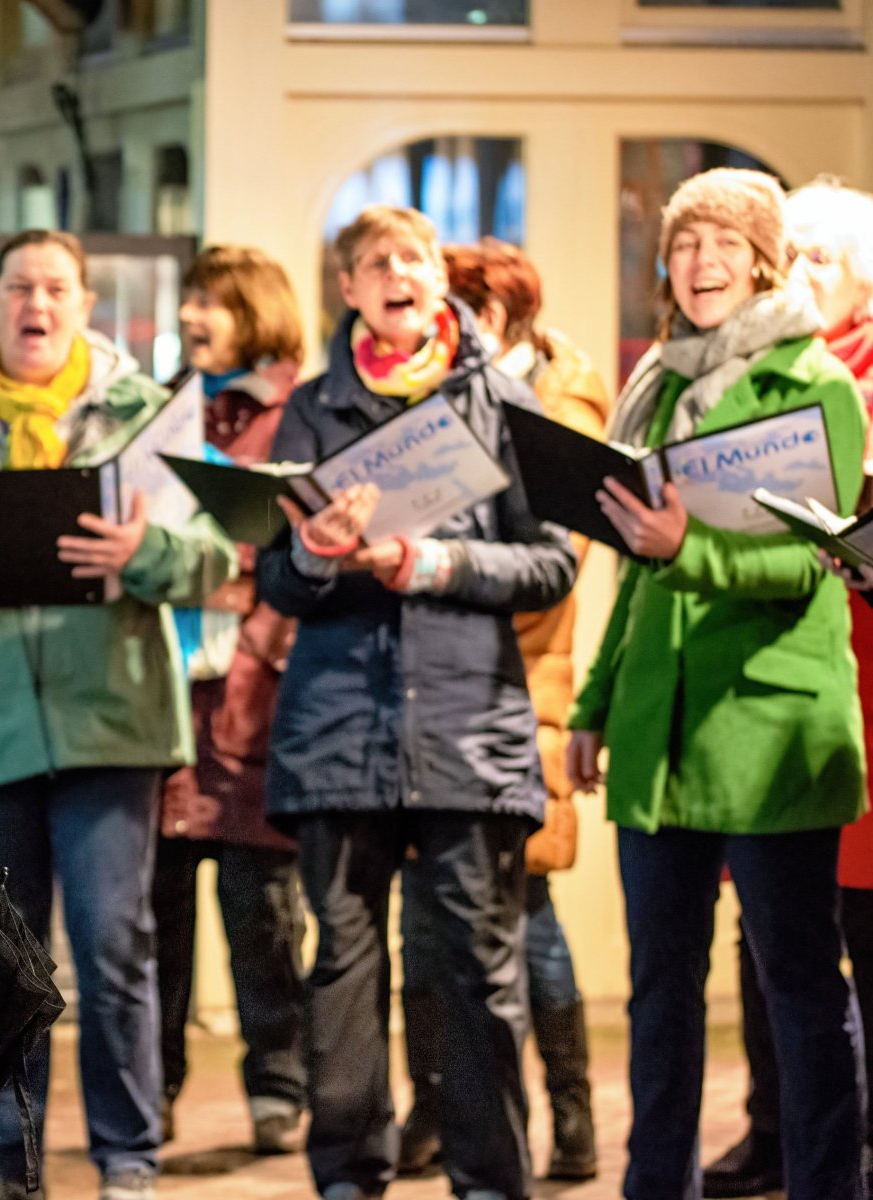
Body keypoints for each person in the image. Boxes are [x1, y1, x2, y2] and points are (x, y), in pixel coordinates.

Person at [0, 229, 236, 1200]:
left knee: (115, 948)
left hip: (116, 724)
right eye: (20, 285)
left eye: (57, 288)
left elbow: (214, 555)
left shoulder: (145, 422)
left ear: (86, 305)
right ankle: (6, 1161)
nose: (38, 302)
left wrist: (140, 559)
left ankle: (127, 1157)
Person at [257, 204, 577, 1200]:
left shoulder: (504, 404)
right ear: (347, 289)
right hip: (338, 731)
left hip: (466, 732)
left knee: (479, 973)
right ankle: (349, 1178)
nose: (396, 272)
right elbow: (275, 583)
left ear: (439, 279)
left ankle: (491, 1181)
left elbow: (553, 561)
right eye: (374, 262)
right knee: (343, 973)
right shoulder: (311, 410)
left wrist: (435, 563)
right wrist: (310, 558)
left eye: (414, 257)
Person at [566, 166, 868, 1200]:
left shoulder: (817, 384)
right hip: (658, 730)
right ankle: (658, 1185)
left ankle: (830, 1183)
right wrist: (593, 707)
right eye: (685, 244)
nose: (700, 264)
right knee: (661, 993)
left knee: (795, 987)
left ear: (762, 260)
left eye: (724, 245)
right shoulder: (654, 383)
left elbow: (803, 566)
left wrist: (686, 543)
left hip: (769, 729)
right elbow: (634, 568)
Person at [397, 238, 607, 1184]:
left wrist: (442, 564)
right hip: (428, 698)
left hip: (519, 687)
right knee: (423, 918)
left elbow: (553, 573)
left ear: (501, 316)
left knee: (522, 911)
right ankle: (434, 1110)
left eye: (462, 304)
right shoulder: (431, 395)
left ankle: (569, 1117)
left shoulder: (550, 407)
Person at [700, 175, 873, 1200]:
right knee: (764, 928)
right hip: (766, 686)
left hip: (860, 686)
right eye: (789, 257)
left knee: (860, 932)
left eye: (821, 259)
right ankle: (776, 1129)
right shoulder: (755, 376)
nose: (798, 276)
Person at [152, 245, 307, 1156]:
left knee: (264, 914)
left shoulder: (298, 417)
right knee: (155, 918)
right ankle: (154, 1088)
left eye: (213, 302)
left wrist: (242, 590)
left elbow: (302, 552)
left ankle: (279, 1087)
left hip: (253, 698)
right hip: (164, 700)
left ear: (258, 312)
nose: (192, 317)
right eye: (189, 300)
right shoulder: (162, 407)